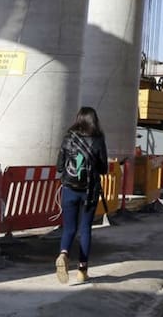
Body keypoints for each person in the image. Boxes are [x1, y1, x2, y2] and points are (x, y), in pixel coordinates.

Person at [55, 106, 109, 284]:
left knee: (69, 227)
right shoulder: (98, 139)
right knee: (85, 229)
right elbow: (103, 168)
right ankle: (82, 270)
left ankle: (63, 253)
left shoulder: (69, 137)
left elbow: (60, 166)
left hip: (69, 188)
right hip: (89, 191)